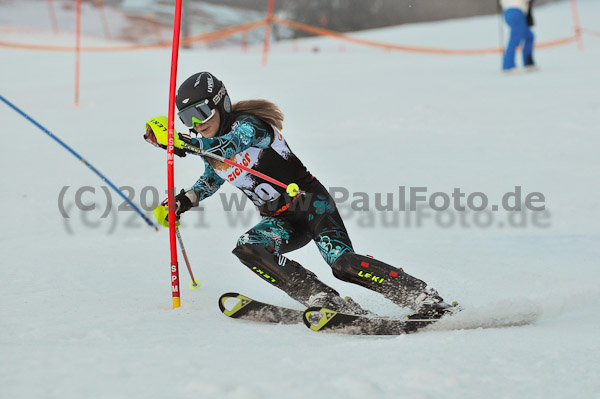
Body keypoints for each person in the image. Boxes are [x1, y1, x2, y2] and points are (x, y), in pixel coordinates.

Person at [144, 72, 455, 319]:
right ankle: (322, 298)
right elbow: (212, 178)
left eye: (200, 112)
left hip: (309, 204)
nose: (197, 124)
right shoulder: (209, 149)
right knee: (248, 248)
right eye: (186, 118)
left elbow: (231, 147)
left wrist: (180, 140)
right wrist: (183, 201)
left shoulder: (249, 127)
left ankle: (423, 297)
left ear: (220, 103)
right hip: (281, 221)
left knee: (342, 263)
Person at [500, 0, 537, 73]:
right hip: (516, 11)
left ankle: (528, 63)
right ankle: (508, 66)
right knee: (515, 39)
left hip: (510, 12)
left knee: (529, 36)